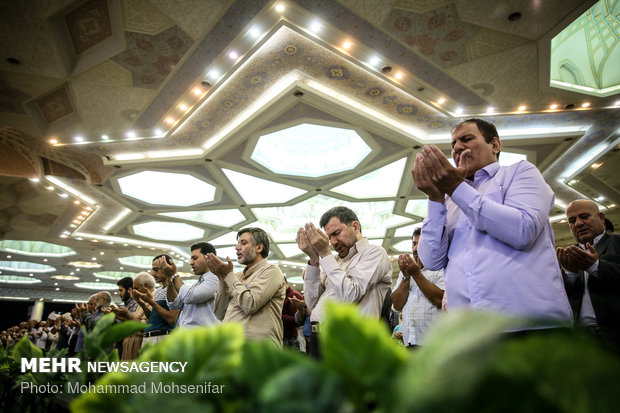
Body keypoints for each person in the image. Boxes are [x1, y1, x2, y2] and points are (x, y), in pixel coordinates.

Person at [412, 118, 572, 330]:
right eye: (453, 145)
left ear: (495, 145)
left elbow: (522, 230)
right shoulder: (449, 200)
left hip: (531, 325)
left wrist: (456, 187)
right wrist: (435, 198)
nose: (458, 147)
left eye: (466, 139)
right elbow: (431, 260)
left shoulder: (519, 173)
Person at [296, 206, 392, 357]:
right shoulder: (333, 261)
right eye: (329, 238)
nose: (333, 242)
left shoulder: (375, 253)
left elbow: (350, 295)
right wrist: (314, 260)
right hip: (319, 338)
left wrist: (324, 253)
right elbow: (312, 303)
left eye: (337, 233)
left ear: (355, 227)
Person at [557, 199, 620, 351]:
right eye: (572, 221)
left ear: (601, 218)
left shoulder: (617, 242)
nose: (578, 223)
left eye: (584, 216)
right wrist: (570, 274)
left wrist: (595, 266)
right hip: (579, 343)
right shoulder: (568, 256)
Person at [208, 227, 286, 347]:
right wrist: (222, 279)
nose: (237, 247)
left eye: (243, 243)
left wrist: (228, 275)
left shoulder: (272, 271)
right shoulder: (237, 276)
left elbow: (250, 304)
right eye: (238, 243)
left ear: (259, 247)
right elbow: (219, 313)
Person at [391, 228, 444, 348]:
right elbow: (397, 304)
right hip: (409, 342)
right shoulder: (405, 271)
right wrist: (406, 276)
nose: (415, 249)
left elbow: (440, 300)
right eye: (414, 244)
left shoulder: (440, 268)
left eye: (420, 244)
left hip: (433, 344)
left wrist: (416, 274)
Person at [161, 242, 220, 328]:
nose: (191, 263)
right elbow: (175, 304)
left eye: (195, 258)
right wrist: (170, 279)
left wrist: (174, 275)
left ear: (208, 258)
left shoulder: (216, 279)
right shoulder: (197, 284)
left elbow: (190, 296)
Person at [134, 256, 179, 347]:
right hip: (150, 338)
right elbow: (153, 318)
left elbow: (172, 319)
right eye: (152, 270)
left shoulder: (175, 288)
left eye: (156, 269)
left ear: (167, 267)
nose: (153, 273)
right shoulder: (159, 290)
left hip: (162, 338)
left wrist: (151, 302)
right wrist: (142, 304)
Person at [281, 277, 303, 349]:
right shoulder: (280, 295)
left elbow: (297, 321)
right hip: (280, 336)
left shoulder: (294, 296)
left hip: (289, 338)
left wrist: (277, 316)